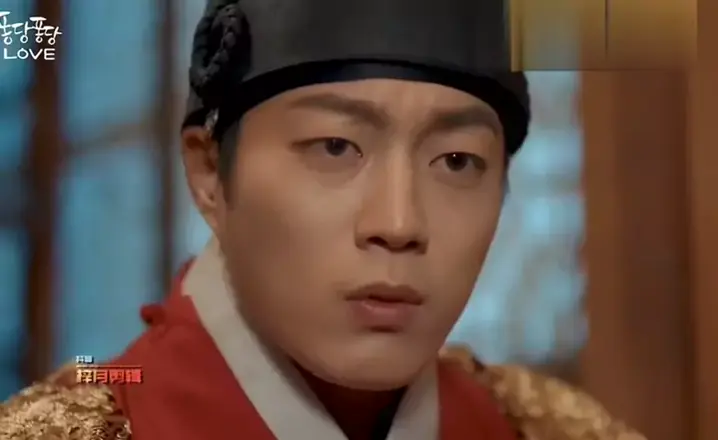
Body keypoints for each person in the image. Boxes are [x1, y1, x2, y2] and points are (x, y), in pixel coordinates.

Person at [0, 0, 645, 438]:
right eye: (336, 147)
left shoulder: (548, 428)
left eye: (456, 160)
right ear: (209, 173)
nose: (399, 222)